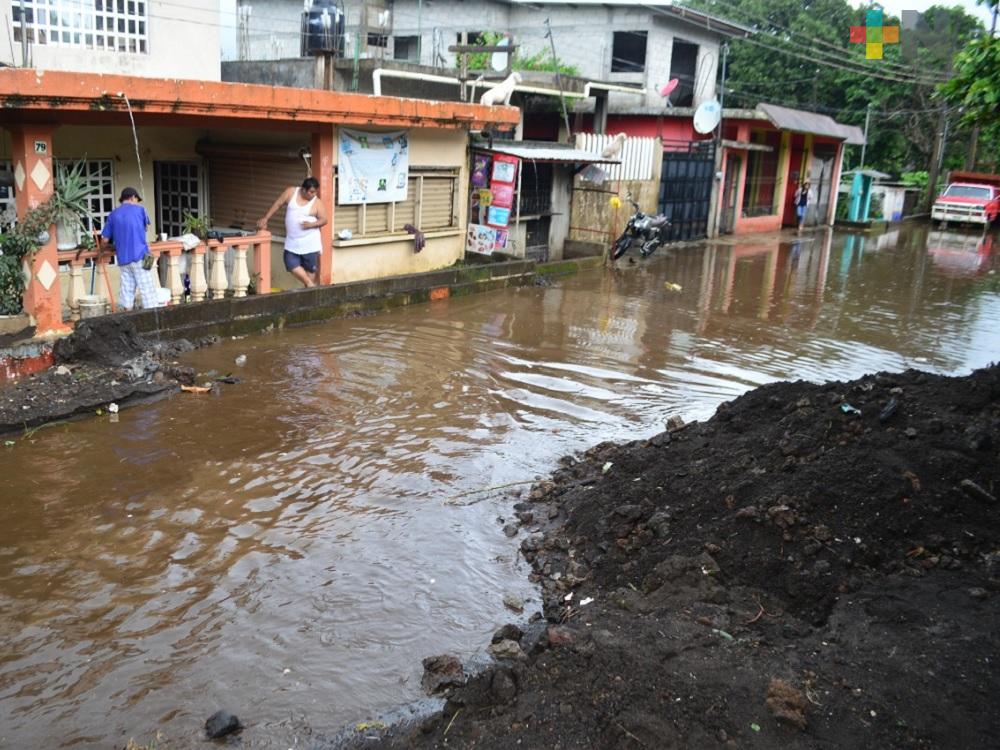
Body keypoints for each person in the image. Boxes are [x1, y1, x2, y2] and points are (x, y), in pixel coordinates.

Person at [257, 177, 328, 288]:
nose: (314, 195)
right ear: (303, 189)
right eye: (311, 192)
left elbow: (324, 219)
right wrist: (266, 218)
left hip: (310, 242)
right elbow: (278, 204)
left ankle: (308, 295)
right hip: (292, 240)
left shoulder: (317, 202)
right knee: (290, 264)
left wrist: (311, 225)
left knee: (310, 270)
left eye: (315, 192)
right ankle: (310, 284)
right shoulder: (291, 192)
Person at [100, 187, 159, 310]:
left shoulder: (113, 214)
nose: (138, 202)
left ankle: (127, 319)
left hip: (123, 260)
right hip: (141, 257)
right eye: (137, 200)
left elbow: (104, 240)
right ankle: (153, 321)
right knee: (148, 292)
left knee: (126, 292)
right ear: (132, 197)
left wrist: (101, 249)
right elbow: (146, 227)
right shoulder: (141, 210)